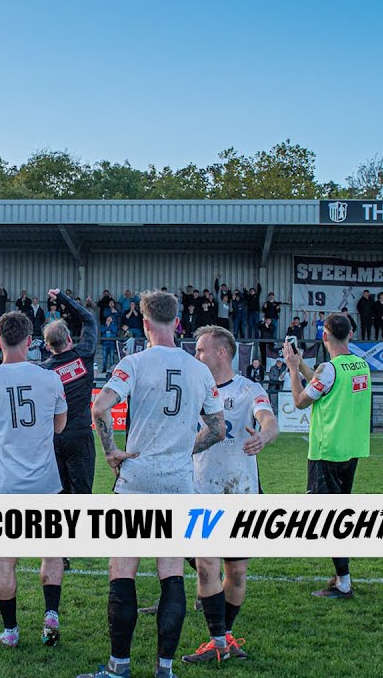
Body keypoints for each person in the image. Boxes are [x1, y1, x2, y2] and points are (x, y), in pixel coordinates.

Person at [78, 290, 224, 678]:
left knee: (123, 567)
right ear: (178, 323)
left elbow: (99, 407)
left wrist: (111, 451)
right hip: (177, 481)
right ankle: (164, 669)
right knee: (171, 571)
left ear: (144, 323)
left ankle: (119, 667)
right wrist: (185, 451)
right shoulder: (200, 371)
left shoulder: (135, 362)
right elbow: (218, 429)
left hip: (138, 478)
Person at [180, 325, 279, 664]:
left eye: (201, 350)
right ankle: (218, 640)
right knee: (206, 564)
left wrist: (263, 437)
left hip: (240, 492)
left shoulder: (249, 389)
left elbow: (269, 420)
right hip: (200, 491)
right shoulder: (193, 389)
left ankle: (226, 633)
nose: (197, 356)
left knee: (235, 572)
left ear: (220, 353)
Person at [0, 311, 69, 648]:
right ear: (30, 341)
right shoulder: (51, 379)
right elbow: (59, 426)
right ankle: (51, 614)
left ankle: (11, 631)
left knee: (5, 559)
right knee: (52, 553)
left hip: (7, 486)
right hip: (46, 483)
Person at [282, 314, 371, 600]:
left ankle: (343, 582)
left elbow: (300, 401)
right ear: (351, 334)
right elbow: (323, 384)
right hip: (351, 449)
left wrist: (293, 370)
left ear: (324, 337)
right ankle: (342, 574)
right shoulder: (360, 365)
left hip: (327, 450)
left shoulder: (329, 370)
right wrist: (303, 366)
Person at [40, 289, 100, 495]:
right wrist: (63, 298)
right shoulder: (84, 355)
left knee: (58, 493)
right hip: (80, 434)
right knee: (82, 493)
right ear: (69, 339)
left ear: (48, 346)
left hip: (53, 436)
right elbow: (89, 320)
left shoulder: (43, 371)